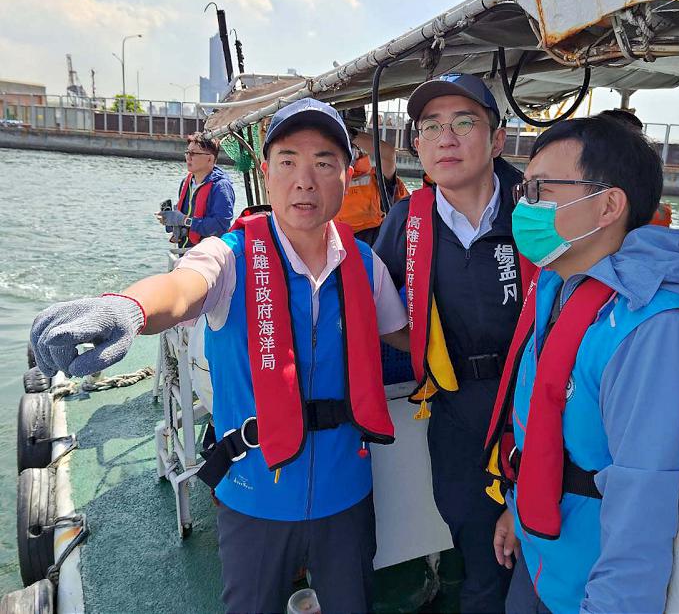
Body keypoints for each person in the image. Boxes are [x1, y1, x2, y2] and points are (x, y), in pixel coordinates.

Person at [30, 98, 410, 613]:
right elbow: (181, 288)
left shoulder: (366, 265)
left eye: (324, 163)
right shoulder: (228, 256)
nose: (305, 181)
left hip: (347, 496)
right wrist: (128, 308)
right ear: (266, 173)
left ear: (347, 176)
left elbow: (405, 337)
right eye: (288, 161)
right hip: (254, 496)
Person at [485, 115, 679, 613]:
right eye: (525, 189)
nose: (524, 206)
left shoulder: (654, 328)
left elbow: (644, 498)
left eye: (542, 190)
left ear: (608, 205)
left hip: (588, 588)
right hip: (540, 555)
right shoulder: (559, 283)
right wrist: (517, 509)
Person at [374, 73, 529, 612]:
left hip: (537, 405)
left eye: (465, 123)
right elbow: (374, 303)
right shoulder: (406, 220)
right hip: (456, 409)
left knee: (547, 549)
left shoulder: (536, 211)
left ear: (497, 138)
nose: (446, 139)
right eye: (431, 127)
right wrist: (420, 348)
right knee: (479, 550)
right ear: (417, 145)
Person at [335, 107, 409, 245]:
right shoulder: (324, 177)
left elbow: (388, 153)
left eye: (351, 146)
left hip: (374, 248)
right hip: (336, 245)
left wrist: (349, 134)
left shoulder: (379, 179)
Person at [158, 133, 235, 248]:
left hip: (207, 254)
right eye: (187, 152)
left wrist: (185, 221)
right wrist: (170, 221)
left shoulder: (221, 187)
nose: (188, 157)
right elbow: (182, 218)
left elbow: (220, 227)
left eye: (193, 153)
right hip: (185, 252)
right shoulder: (186, 182)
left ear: (210, 159)